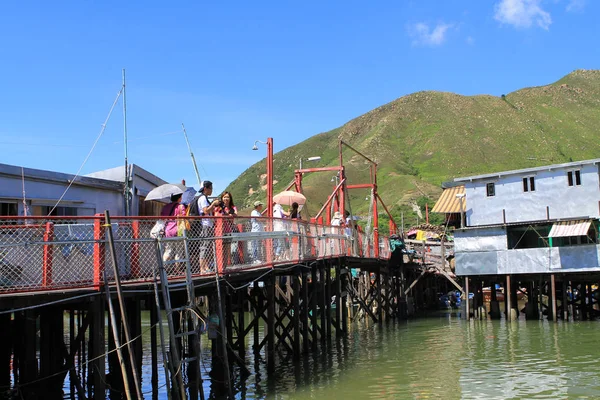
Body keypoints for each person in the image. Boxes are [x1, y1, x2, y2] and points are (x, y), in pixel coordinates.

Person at [197, 180, 221, 273]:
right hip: (205, 225)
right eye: (211, 188)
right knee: (204, 247)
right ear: (205, 188)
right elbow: (206, 211)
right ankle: (202, 268)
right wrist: (213, 204)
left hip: (208, 224)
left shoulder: (204, 198)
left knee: (207, 247)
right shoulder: (203, 198)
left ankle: (206, 267)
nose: (212, 190)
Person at [214, 191, 238, 266]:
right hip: (219, 230)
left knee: (227, 249)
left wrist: (227, 214)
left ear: (230, 198)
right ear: (222, 198)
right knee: (219, 248)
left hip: (228, 229)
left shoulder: (232, 207)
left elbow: (235, 215)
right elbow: (215, 215)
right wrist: (228, 215)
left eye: (227, 197)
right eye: (224, 197)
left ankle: (226, 265)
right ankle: (219, 265)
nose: (226, 198)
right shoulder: (219, 207)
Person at [160, 193, 185, 261]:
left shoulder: (165, 207)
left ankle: (163, 268)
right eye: (181, 197)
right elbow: (183, 218)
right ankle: (177, 270)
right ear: (179, 198)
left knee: (168, 250)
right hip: (178, 231)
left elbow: (162, 218)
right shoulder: (181, 206)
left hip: (168, 231)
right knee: (178, 252)